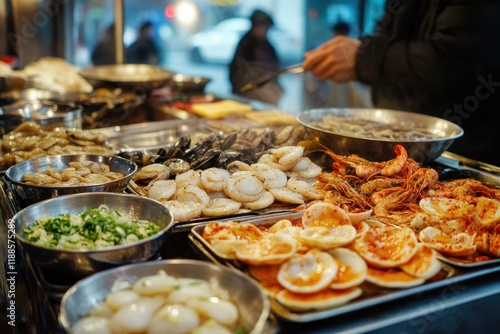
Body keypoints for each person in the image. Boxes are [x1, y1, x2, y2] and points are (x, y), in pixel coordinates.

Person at [303, 0, 500, 166]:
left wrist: (365, 58)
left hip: (466, 155)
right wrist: (356, 55)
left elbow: (458, 60)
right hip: (399, 148)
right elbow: (387, 34)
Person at [229, 9, 282, 105]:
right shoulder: (245, 45)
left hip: (264, 98)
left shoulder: (268, 46)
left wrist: (277, 87)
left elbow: (275, 72)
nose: (264, 31)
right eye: (262, 27)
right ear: (254, 26)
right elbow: (236, 75)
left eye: (267, 28)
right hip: (246, 97)